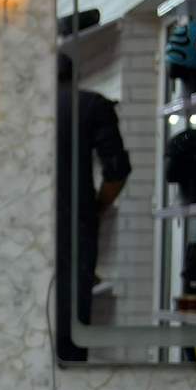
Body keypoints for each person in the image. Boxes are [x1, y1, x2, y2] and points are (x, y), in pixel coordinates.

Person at [56, 53, 132, 361]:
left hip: (22, 225)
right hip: (76, 227)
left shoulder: (20, 111)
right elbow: (116, 171)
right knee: (72, 328)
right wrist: (96, 206)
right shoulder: (92, 105)